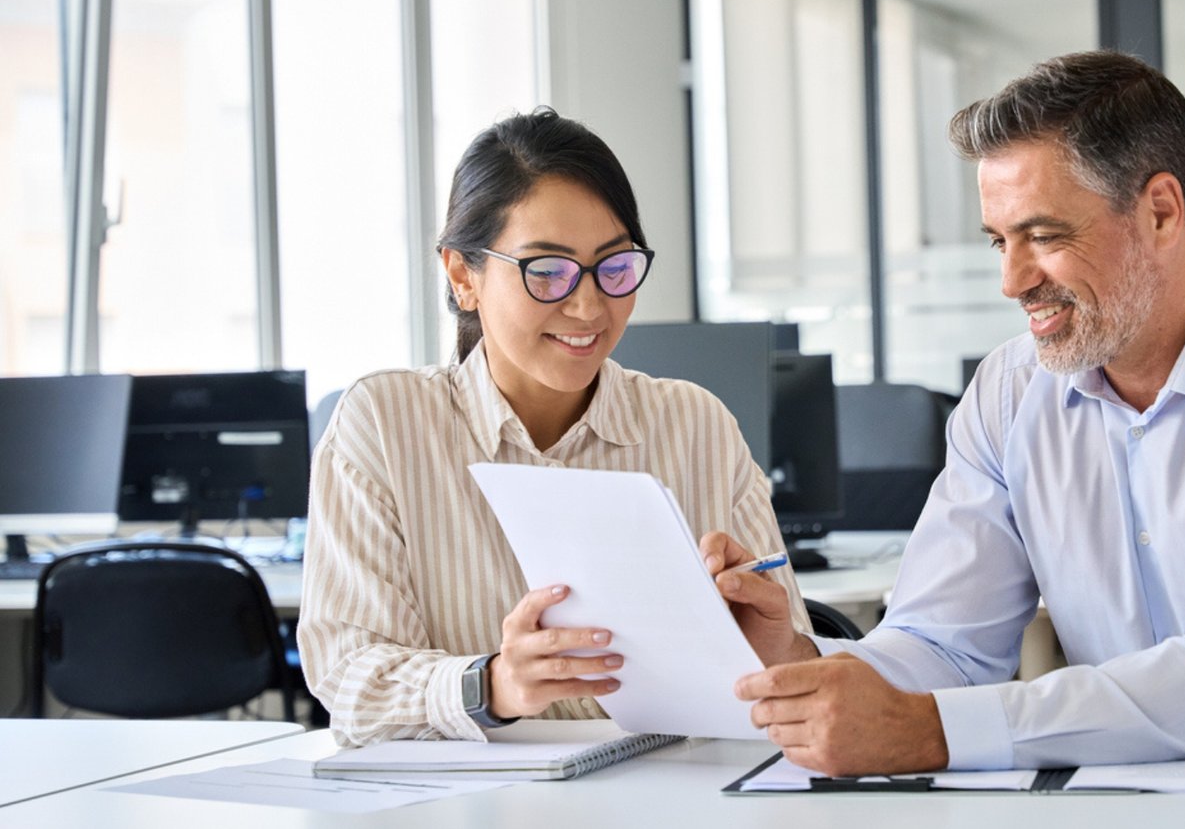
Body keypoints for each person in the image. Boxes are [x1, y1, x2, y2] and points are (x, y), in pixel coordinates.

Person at [702, 51, 1185, 775]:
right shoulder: (1010, 392)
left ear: (1163, 213)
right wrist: (800, 674)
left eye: (1043, 236)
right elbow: (945, 643)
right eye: (999, 241)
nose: (1011, 281)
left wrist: (931, 732)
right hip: (1136, 785)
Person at [298, 108, 809, 746]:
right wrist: (494, 685)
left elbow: (791, 668)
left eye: (614, 267)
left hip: (676, 794)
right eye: (547, 271)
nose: (589, 305)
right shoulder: (385, 422)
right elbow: (350, 678)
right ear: (463, 275)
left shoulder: (695, 423)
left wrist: (781, 649)